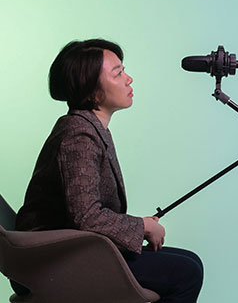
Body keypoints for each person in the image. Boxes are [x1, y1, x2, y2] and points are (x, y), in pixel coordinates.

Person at [14, 39, 203, 303]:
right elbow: (85, 216)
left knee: (189, 261)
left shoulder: (90, 127)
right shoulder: (78, 134)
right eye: (118, 73)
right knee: (186, 273)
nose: (129, 79)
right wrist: (141, 227)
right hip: (52, 260)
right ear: (92, 91)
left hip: (73, 251)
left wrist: (140, 226)